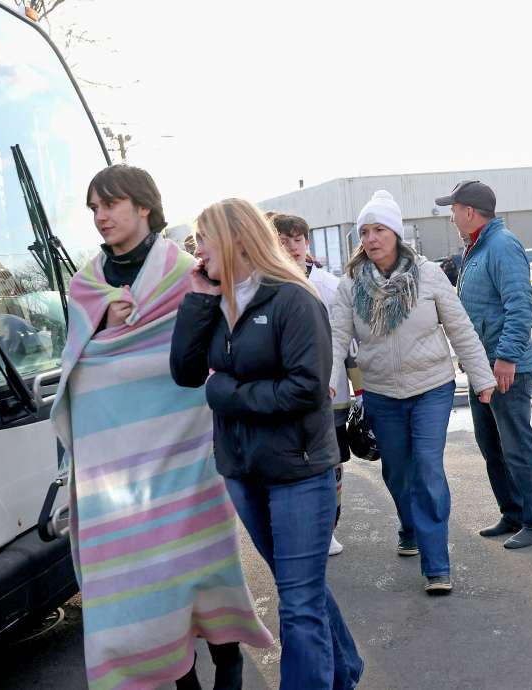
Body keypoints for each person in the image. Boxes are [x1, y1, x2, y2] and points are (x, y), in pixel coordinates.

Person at [51, 166, 272, 690]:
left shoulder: (184, 272)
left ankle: (227, 657)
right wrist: (103, 320)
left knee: (200, 561)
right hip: (116, 462)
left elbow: (217, 343)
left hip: (186, 448)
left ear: (144, 206)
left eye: (112, 204)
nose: (102, 216)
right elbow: (75, 364)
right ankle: (179, 674)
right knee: (141, 574)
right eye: (94, 208)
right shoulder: (86, 284)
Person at [171, 198, 363, 690]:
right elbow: (186, 372)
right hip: (242, 468)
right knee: (301, 589)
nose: (197, 249)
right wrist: (197, 298)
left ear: (236, 239)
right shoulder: (215, 299)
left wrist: (228, 393)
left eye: (204, 238)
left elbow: (307, 388)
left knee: (297, 604)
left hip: (299, 470)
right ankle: (345, 671)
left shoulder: (294, 299)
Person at [329, 190, 496, 594]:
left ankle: (436, 563)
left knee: (426, 466)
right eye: (364, 231)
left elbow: (460, 329)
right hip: (382, 392)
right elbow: (335, 338)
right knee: (398, 470)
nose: (371, 238)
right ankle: (409, 525)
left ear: (396, 234)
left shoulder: (428, 275)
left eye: (379, 229)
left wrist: (482, 377)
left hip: (431, 387)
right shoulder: (351, 284)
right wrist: (328, 385)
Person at [436, 180, 532, 549]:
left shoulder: (502, 246)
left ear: (469, 211)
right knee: (492, 446)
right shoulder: (477, 247)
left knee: (517, 447)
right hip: (481, 367)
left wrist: (506, 358)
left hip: (505, 368)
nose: (452, 217)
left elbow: (521, 307)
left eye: (454, 210)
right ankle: (513, 512)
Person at [268, 211, 351, 557]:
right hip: (285, 394)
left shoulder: (329, 286)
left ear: (308, 242)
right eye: (282, 241)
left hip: (330, 395)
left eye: (297, 240)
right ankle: (297, 527)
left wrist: (359, 392)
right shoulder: (265, 284)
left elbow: (348, 343)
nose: (291, 248)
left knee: (330, 462)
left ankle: (328, 528)